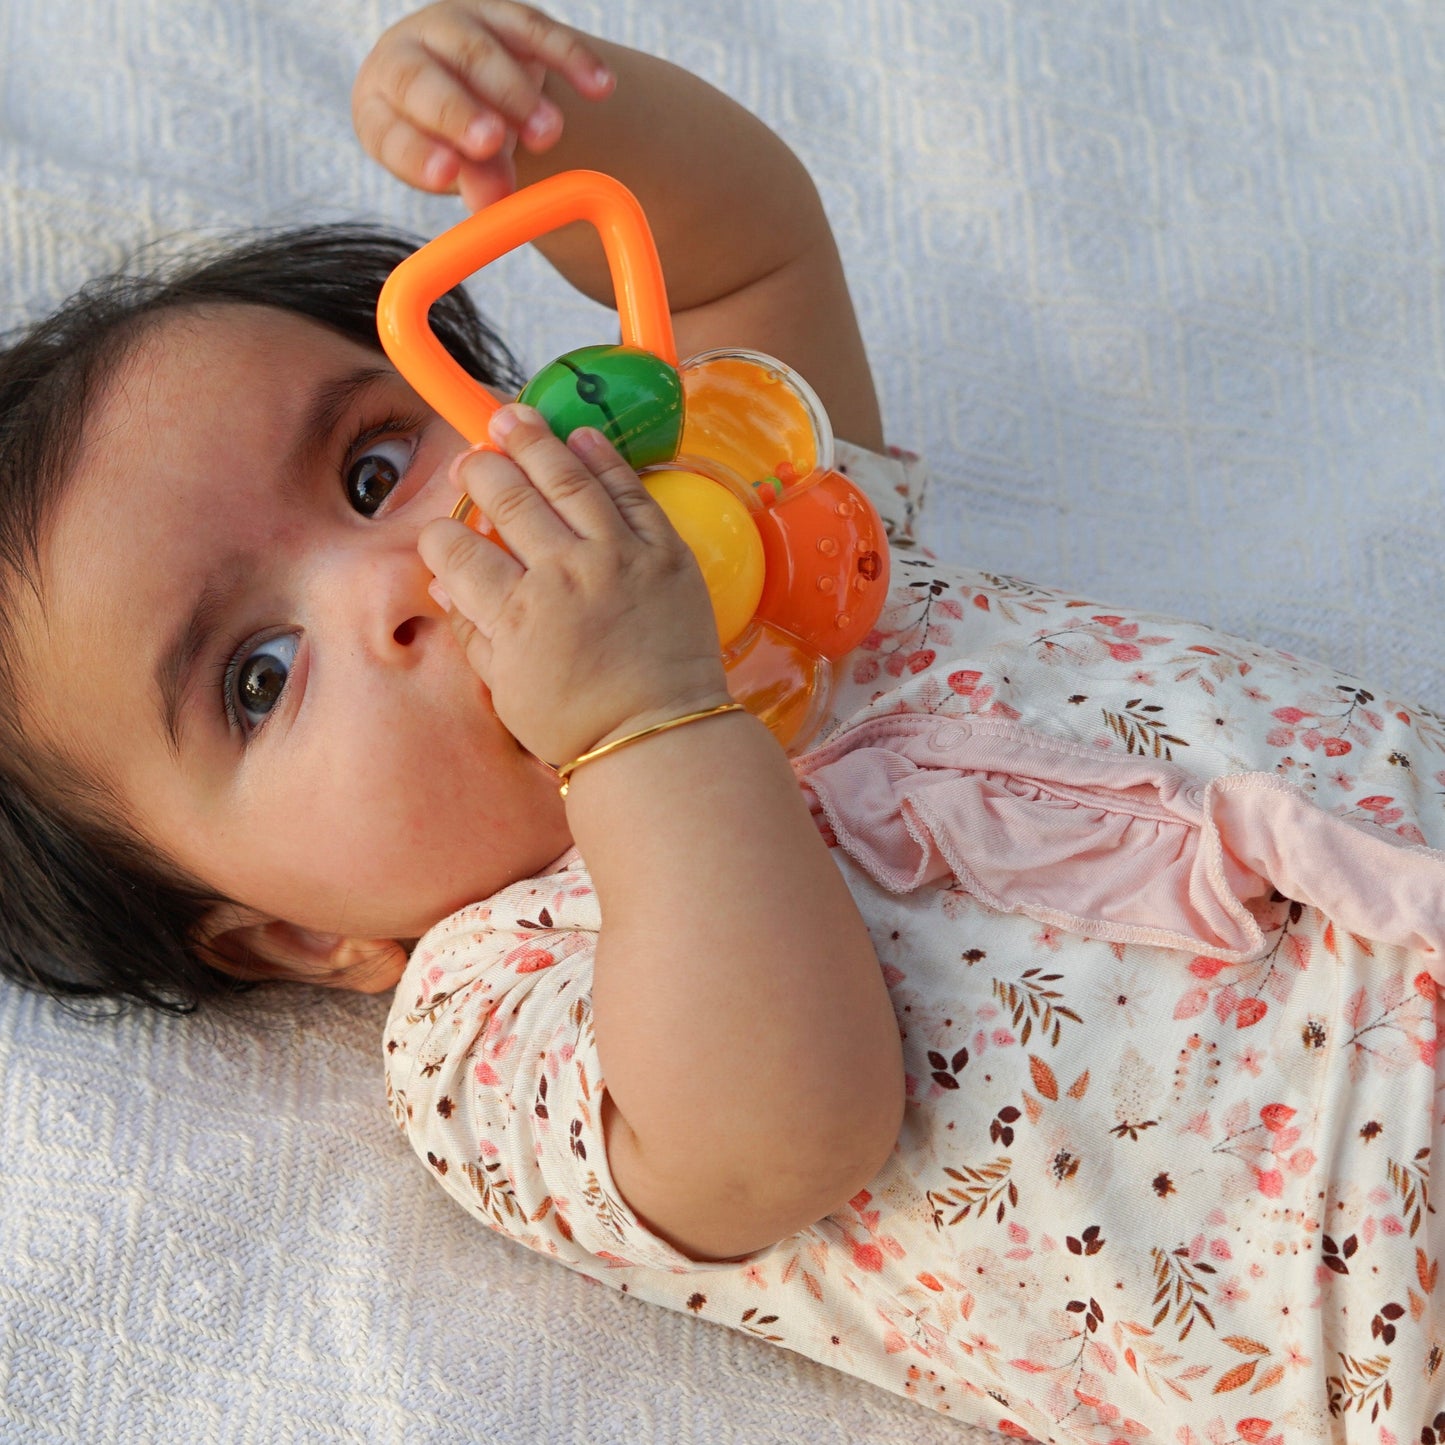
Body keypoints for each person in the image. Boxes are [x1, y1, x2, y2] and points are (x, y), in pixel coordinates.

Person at [0, 3, 1439, 1438]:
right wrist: (644, 722)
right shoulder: (489, 1020)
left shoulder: (762, 545)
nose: (397, 576)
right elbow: (781, 1133)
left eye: (376, 466)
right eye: (258, 674)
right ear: (295, 935)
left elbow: (744, 260)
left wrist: (558, 122)